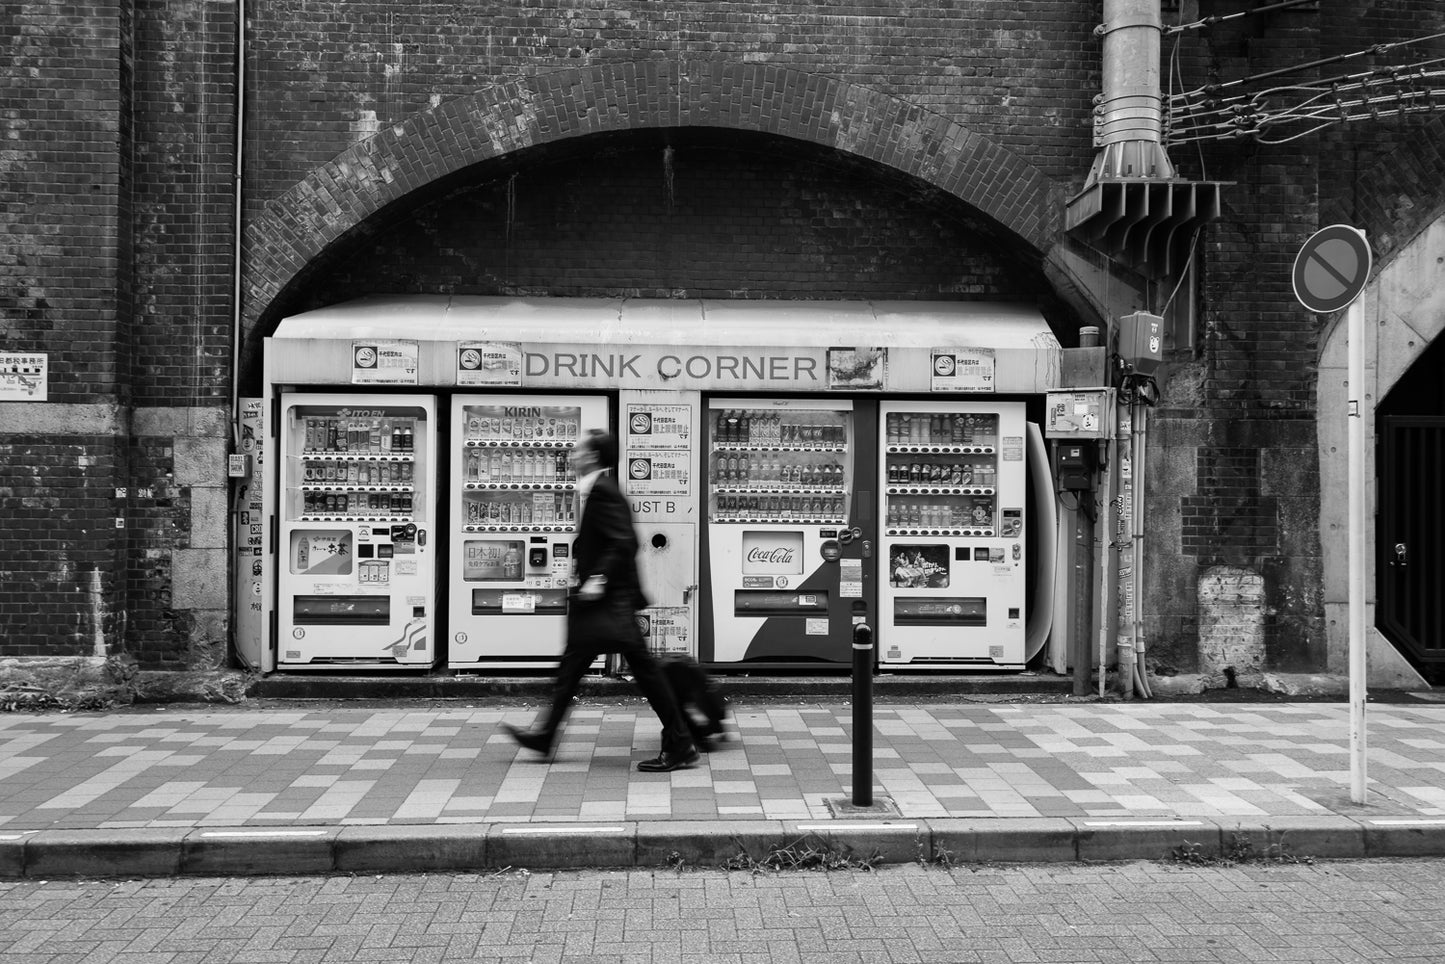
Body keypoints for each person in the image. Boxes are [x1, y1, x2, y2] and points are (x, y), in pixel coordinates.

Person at [504, 429, 700, 772]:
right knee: (572, 671)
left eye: (578, 449)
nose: (572, 453)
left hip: (611, 604)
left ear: (592, 456)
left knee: (647, 675)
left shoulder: (605, 492)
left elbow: (624, 541)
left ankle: (681, 743)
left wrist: (597, 578)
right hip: (602, 606)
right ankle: (546, 735)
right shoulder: (597, 490)